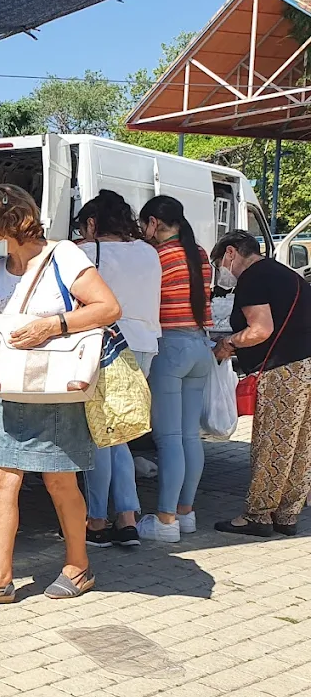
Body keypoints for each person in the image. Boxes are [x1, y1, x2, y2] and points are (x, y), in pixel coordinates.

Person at [0, 185, 121, 607]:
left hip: (55, 389)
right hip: (7, 387)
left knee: (59, 479)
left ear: (8, 222)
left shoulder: (63, 255)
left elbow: (107, 308)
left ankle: (78, 566)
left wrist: (52, 326)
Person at [74, 190, 162, 548]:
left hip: (107, 346)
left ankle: (96, 520)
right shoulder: (148, 252)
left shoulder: (86, 253)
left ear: (92, 223)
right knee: (119, 434)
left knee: (99, 435)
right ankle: (128, 518)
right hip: (145, 346)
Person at [211, 231, 311, 536]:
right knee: (300, 445)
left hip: (284, 370)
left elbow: (260, 329)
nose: (223, 273)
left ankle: (258, 515)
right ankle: (287, 514)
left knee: (273, 443)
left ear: (231, 253)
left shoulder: (253, 278)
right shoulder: (287, 274)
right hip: (307, 364)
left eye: (220, 264)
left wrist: (227, 344)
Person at [137, 195, 213, 544]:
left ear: (154, 223)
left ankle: (165, 519)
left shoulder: (157, 256)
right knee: (188, 436)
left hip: (170, 347)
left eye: (144, 225)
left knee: (168, 440)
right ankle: (185, 512)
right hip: (200, 346)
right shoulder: (199, 254)